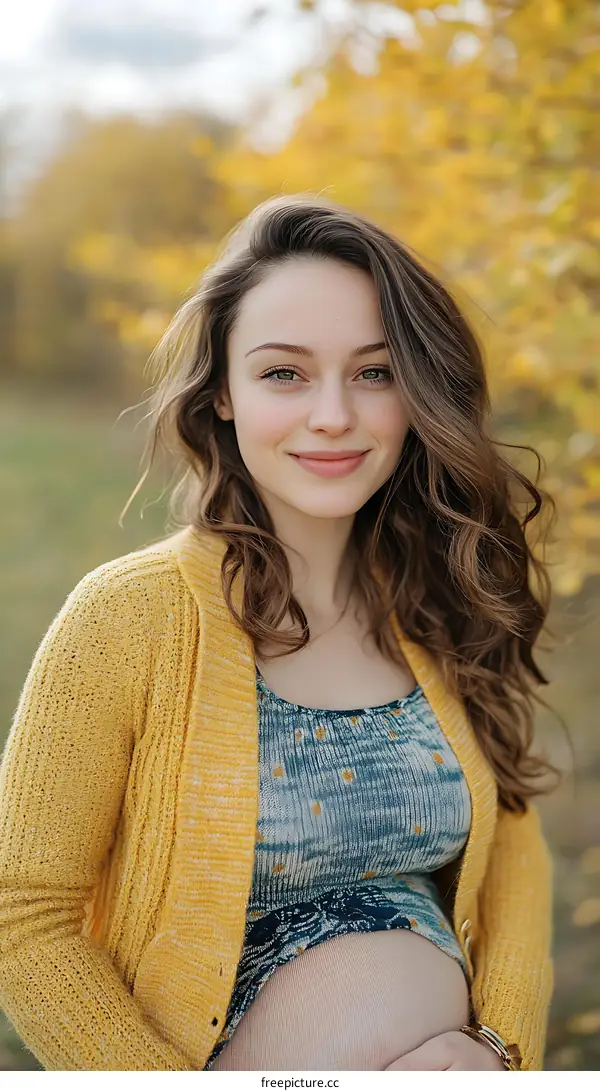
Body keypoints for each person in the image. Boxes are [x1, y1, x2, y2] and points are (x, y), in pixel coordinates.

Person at [0, 193, 563, 1071]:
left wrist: (500, 1048)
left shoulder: (443, 599)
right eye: (284, 374)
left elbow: (514, 862)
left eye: (375, 373)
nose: (333, 414)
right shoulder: (128, 618)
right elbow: (22, 914)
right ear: (222, 393)